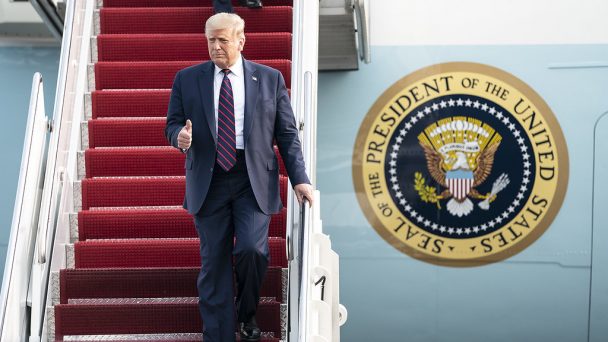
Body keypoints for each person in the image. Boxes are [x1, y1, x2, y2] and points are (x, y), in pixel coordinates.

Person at [164, 12, 313, 342]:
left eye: (223, 40)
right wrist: (180, 138)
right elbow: (171, 124)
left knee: (251, 250)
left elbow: (286, 133)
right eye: (210, 41)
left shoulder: (270, 79)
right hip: (210, 179)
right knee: (214, 262)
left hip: (253, 178)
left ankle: (247, 313)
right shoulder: (187, 79)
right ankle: (218, 336)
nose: (215, 47)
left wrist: (299, 178)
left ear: (241, 41)